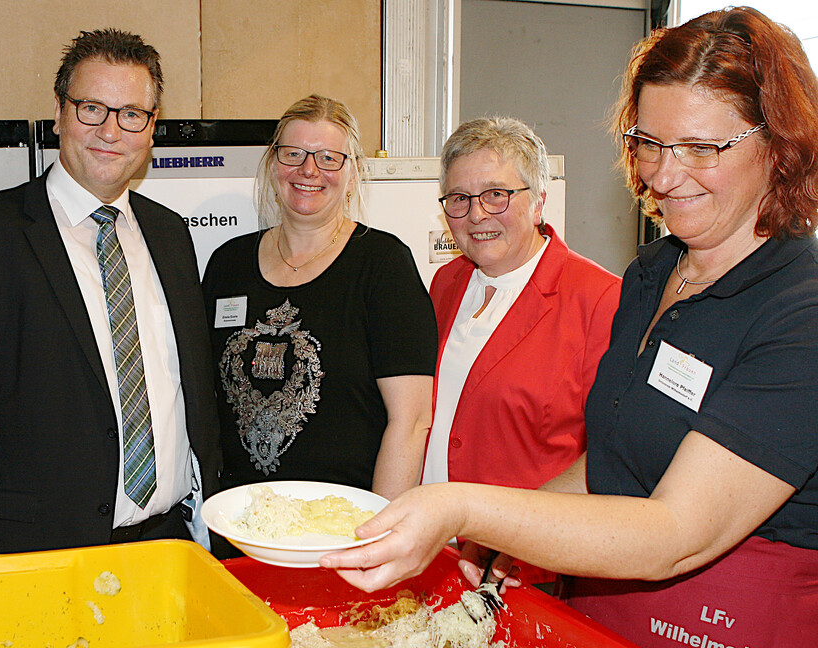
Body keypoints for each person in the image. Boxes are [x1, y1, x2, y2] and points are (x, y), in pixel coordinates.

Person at [321, 8, 818, 646]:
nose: (664, 177)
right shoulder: (651, 275)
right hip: (601, 614)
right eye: (650, 145)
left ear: (778, 145)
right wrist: (504, 539)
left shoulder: (799, 314)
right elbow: (607, 462)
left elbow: (674, 534)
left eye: (701, 148)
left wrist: (465, 505)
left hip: (734, 622)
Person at [0, 28, 221, 559]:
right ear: (59, 112)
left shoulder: (170, 235)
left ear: (151, 128)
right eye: (92, 107)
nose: (110, 131)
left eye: (131, 114)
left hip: (169, 548)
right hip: (35, 558)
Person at [202, 95, 436, 500]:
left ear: (352, 173)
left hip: (341, 526)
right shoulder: (227, 263)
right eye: (293, 153)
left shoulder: (382, 264)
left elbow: (412, 420)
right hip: (239, 521)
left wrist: (377, 534)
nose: (308, 170)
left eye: (328, 157)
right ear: (273, 163)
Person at [424, 116, 620, 587]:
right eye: (459, 199)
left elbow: (610, 455)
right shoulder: (445, 283)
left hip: (524, 570)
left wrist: (515, 537)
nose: (475, 215)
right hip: (435, 552)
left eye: (496, 194)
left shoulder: (599, 300)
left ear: (539, 201)